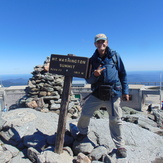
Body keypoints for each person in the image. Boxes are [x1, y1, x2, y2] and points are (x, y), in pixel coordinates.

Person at [76, 33, 129, 158]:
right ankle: (82, 132)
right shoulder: (92, 60)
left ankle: (120, 145)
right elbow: (88, 80)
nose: (101, 44)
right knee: (85, 113)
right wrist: (95, 75)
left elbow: (123, 74)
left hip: (113, 93)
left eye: (103, 41)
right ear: (95, 44)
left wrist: (125, 91)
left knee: (116, 120)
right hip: (97, 93)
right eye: (98, 42)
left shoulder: (115, 56)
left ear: (107, 42)